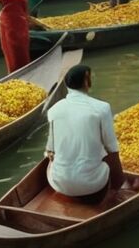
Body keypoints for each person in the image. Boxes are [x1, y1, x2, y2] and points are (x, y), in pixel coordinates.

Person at [45, 64, 128, 205]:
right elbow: (112, 149)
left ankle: (65, 188)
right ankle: (106, 194)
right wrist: (119, 184)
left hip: (59, 184)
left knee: (50, 158)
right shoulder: (102, 108)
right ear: (86, 81)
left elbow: (50, 151)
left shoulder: (53, 110)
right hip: (92, 186)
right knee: (105, 157)